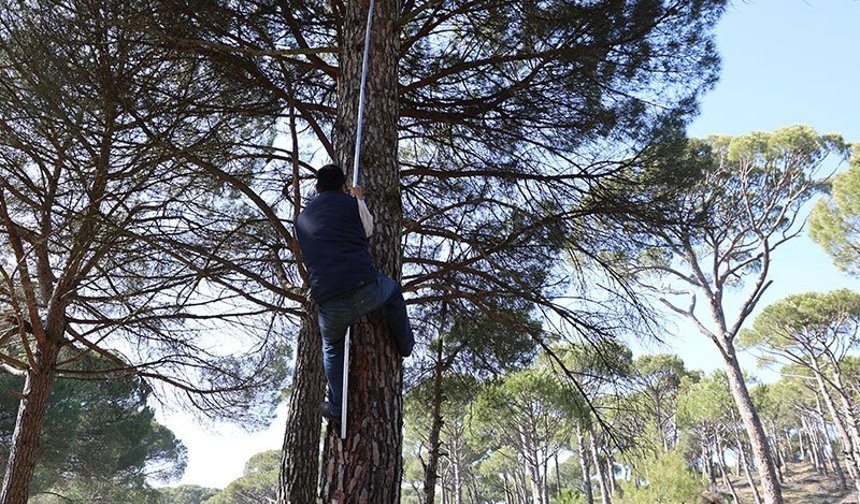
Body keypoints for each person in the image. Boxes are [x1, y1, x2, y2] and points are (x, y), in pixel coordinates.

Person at [295, 164, 414, 422]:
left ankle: (337, 407)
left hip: (328, 301)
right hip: (364, 288)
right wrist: (359, 199)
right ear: (342, 186)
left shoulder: (301, 220)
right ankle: (405, 345)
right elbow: (368, 229)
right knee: (393, 294)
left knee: (332, 348)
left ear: (317, 188)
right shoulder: (350, 203)